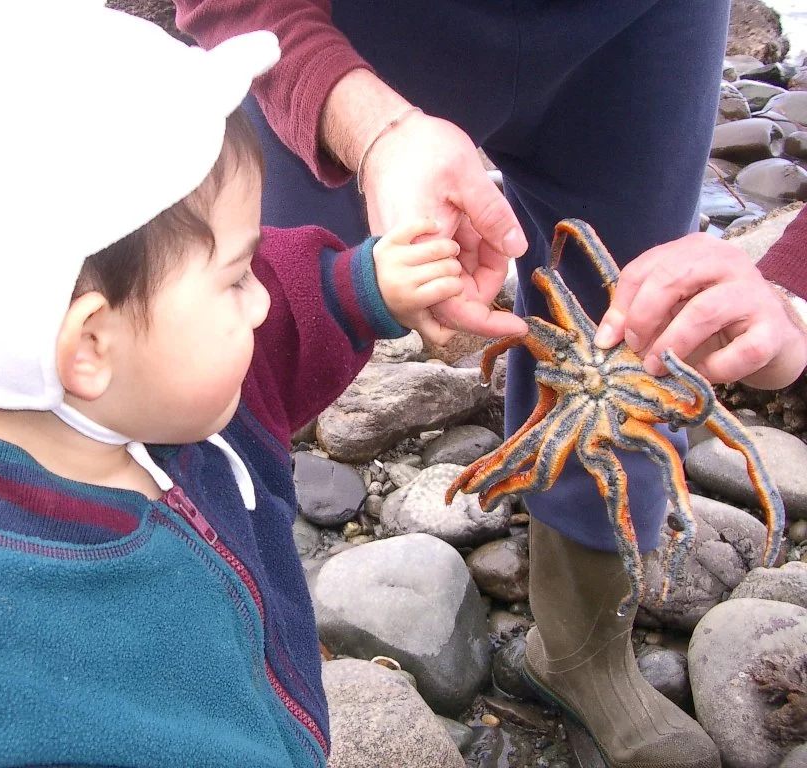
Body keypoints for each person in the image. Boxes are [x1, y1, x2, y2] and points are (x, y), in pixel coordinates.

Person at [0, 3, 467, 766]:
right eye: (236, 276)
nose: (260, 299)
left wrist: (359, 285)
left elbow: (274, 325)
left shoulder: (153, 399)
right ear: (90, 343)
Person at [172, 2, 807, 768]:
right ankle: (196, 634)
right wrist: (372, 132)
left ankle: (581, 653)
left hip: (634, 28)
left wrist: (788, 289)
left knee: (637, 326)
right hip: (361, 22)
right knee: (231, 329)